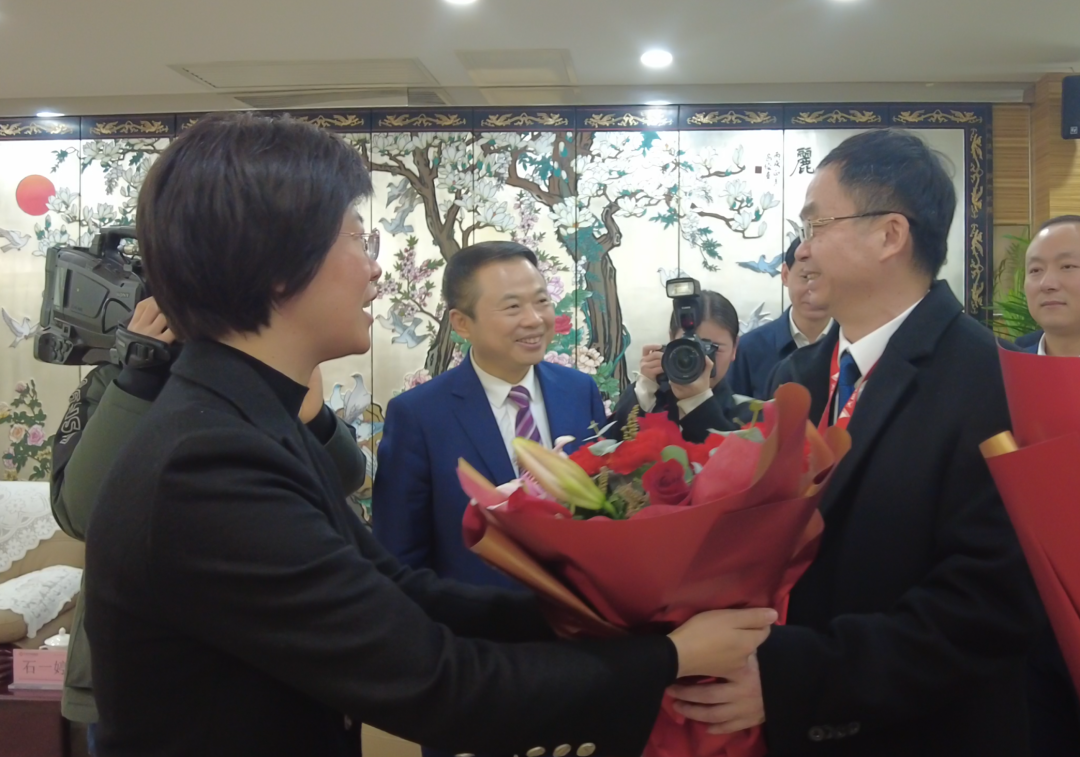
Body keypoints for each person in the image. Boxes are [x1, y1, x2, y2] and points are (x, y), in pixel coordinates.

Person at [82, 112, 778, 757]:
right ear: (277, 265)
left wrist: (597, 617)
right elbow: (438, 682)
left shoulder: (249, 419)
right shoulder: (207, 462)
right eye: (356, 238)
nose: (374, 267)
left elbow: (398, 587)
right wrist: (670, 658)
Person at [668, 129, 1041, 755]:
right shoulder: (797, 377)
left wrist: (796, 680)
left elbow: (989, 606)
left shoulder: (992, 381)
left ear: (890, 235)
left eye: (817, 223)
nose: (802, 247)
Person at [49, 296, 364, 756]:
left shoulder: (271, 374)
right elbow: (80, 514)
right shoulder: (115, 380)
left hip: (273, 670)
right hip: (139, 679)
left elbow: (345, 478)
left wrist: (314, 418)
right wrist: (138, 374)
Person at [372, 241, 606, 590]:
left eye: (542, 301)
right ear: (462, 323)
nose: (534, 319)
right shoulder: (419, 416)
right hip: (479, 619)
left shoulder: (579, 391)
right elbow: (400, 557)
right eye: (512, 307)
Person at [1019, 214, 1080, 756]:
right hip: (1023, 628)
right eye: (1035, 270)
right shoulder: (998, 369)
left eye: (1068, 266)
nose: (1048, 282)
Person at [608, 290, 752, 443]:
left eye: (713, 347)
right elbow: (610, 450)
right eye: (689, 346)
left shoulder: (750, 414)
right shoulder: (648, 396)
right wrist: (643, 393)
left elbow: (731, 455)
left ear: (734, 348)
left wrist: (698, 403)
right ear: (672, 339)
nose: (702, 359)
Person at [727, 239, 832, 400]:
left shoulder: (853, 344)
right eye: (807, 277)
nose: (816, 290)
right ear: (785, 275)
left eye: (827, 278)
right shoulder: (749, 349)